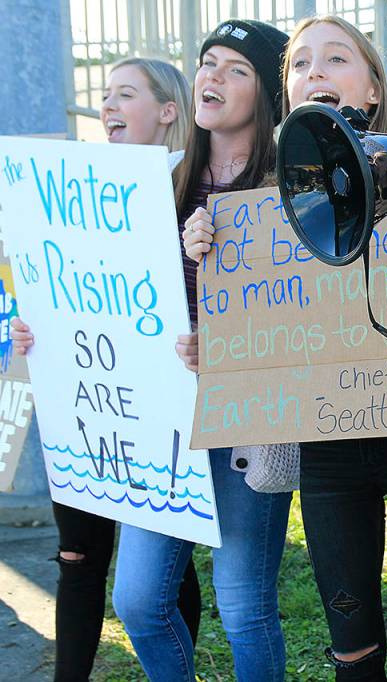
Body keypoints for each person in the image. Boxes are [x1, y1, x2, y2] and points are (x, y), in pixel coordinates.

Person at [184, 15, 387, 681]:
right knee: (351, 652)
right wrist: (210, 263)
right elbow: (247, 346)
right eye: (300, 64)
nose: (315, 73)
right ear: (288, 92)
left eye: (336, 59)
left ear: (374, 90)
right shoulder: (261, 205)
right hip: (326, 454)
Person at [10, 57, 202, 682]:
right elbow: (55, 289)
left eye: (125, 94)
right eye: (104, 96)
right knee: (75, 557)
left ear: (168, 111)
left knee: (165, 567)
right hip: (88, 404)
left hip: (157, 411)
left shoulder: (192, 197)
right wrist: (33, 325)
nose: (107, 107)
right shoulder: (72, 194)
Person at [119, 21, 292, 682]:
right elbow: (116, 288)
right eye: (207, 62)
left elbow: (307, 311)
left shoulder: (289, 185)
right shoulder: (158, 181)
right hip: (165, 413)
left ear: (267, 92)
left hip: (250, 412)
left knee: (244, 604)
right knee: (136, 599)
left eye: (236, 69)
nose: (212, 77)